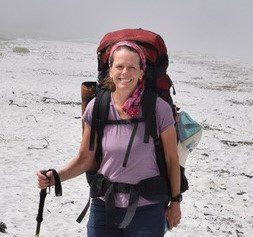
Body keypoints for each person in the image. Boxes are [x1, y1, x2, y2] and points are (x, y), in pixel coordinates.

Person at [37, 40, 181, 237]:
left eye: (132, 67)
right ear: (110, 71)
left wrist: (175, 203)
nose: (125, 73)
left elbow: (172, 160)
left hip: (147, 209)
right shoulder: (97, 107)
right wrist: (57, 177)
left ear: (141, 72)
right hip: (104, 205)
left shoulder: (158, 109)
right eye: (119, 66)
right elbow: (85, 159)